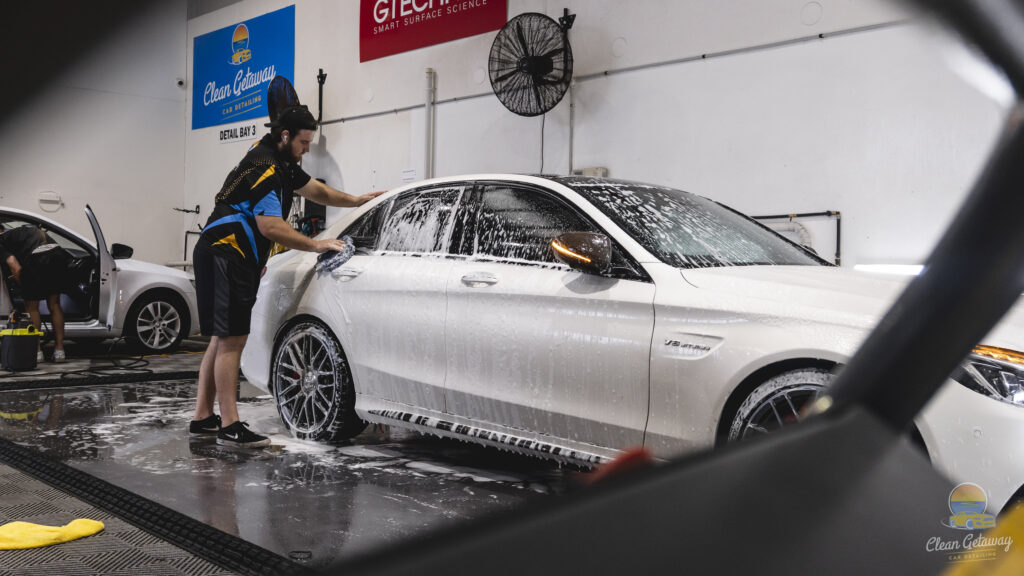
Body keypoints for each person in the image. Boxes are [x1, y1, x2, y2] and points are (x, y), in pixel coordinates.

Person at [190, 104, 384, 448]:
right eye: (304, 142)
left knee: (222, 339)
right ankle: (230, 425)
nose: (307, 149)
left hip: (220, 252)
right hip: (226, 254)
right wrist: (316, 245)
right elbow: (270, 226)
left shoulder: (276, 158)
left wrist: (355, 200)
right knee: (232, 340)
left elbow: (315, 190)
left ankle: (204, 417)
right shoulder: (267, 169)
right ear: (285, 136)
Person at [0, 223, 70, 363]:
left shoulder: (1, 240)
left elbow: (14, 265)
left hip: (37, 258)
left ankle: (36, 351)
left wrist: (24, 287)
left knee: (31, 307)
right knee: (55, 304)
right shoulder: (22, 231)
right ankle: (60, 351)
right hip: (58, 255)